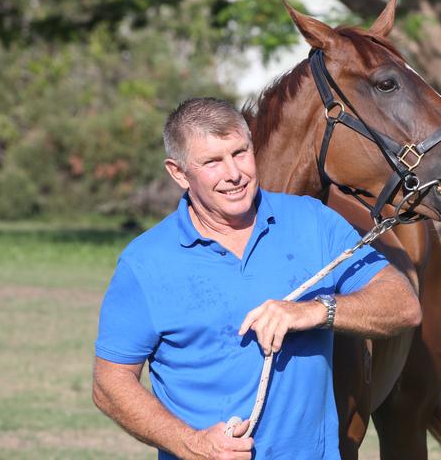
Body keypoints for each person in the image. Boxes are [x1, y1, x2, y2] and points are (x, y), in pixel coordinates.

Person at [92, 97, 421, 460]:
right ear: (179, 173)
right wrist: (191, 443)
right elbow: (110, 383)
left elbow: (403, 305)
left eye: (240, 153)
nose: (233, 174)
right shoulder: (145, 261)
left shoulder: (312, 221)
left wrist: (313, 312)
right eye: (212, 162)